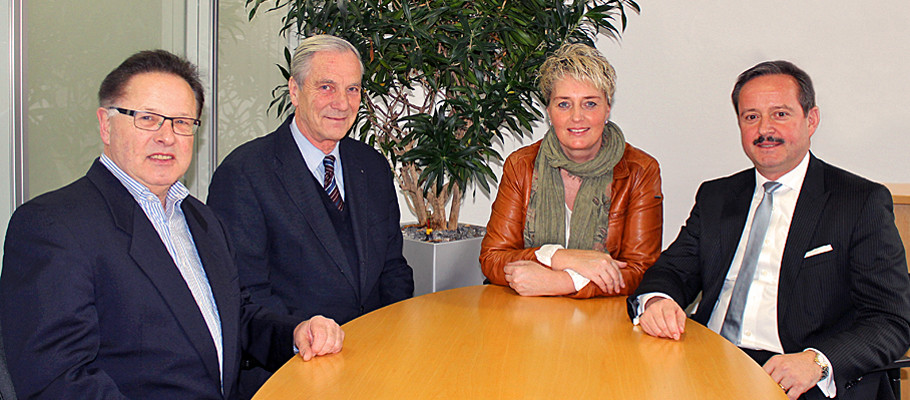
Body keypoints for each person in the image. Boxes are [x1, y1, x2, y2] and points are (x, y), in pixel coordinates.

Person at [0, 50, 344, 400]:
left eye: (182, 122)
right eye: (148, 118)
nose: (167, 137)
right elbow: (59, 381)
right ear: (106, 124)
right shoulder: (52, 226)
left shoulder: (200, 218)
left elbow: (236, 319)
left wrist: (296, 332)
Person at [628, 60, 910, 400]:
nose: (764, 128)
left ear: (811, 120)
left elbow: (890, 319)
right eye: (751, 117)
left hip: (798, 376)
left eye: (780, 114)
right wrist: (658, 301)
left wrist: (818, 363)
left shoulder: (858, 202)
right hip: (709, 365)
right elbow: (672, 270)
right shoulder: (717, 196)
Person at [207, 35, 413, 395]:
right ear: (294, 89)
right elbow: (244, 299)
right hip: (291, 373)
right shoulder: (244, 173)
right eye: (326, 87)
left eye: (352, 89)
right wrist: (298, 336)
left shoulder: (373, 166)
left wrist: (391, 341)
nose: (342, 103)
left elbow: (393, 269)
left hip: (376, 366)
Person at [480, 43, 663, 298]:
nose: (577, 117)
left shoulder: (640, 171)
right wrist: (559, 256)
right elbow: (492, 258)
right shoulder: (521, 165)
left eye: (589, 104)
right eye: (564, 104)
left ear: (607, 109)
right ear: (549, 112)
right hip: (524, 318)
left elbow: (641, 270)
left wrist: (564, 282)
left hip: (602, 322)